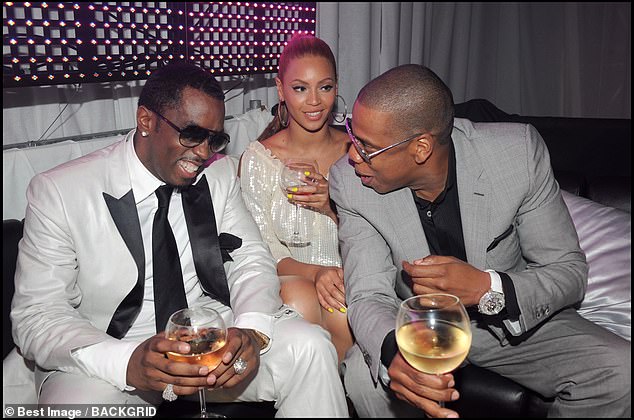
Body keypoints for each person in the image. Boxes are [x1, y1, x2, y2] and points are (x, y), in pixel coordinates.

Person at [10, 61, 349, 417]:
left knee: (311, 347)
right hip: (111, 351)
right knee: (76, 408)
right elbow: (37, 315)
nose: (204, 152)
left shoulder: (218, 175)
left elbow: (250, 259)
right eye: (191, 134)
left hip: (208, 340)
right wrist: (129, 362)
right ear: (146, 121)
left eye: (215, 139)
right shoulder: (61, 191)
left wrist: (251, 331)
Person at [329, 64, 630, 418]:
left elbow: (568, 270)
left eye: (366, 147)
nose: (352, 155)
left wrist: (488, 288)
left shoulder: (516, 155)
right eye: (352, 133)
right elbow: (368, 294)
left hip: (506, 322)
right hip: (412, 324)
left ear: (421, 148)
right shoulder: (350, 183)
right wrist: (396, 352)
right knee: (366, 382)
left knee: (621, 372)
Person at [239, 33, 353, 363]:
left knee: (343, 305)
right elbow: (261, 251)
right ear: (280, 89)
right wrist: (316, 273)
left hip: (354, 274)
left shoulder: (356, 152)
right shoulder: (260, 160)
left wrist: (331, 208)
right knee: (302, 297)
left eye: (326, 87)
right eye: (300, 88)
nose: (314, 101)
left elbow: (383, 233)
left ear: (336, 87)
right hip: (292, 279)